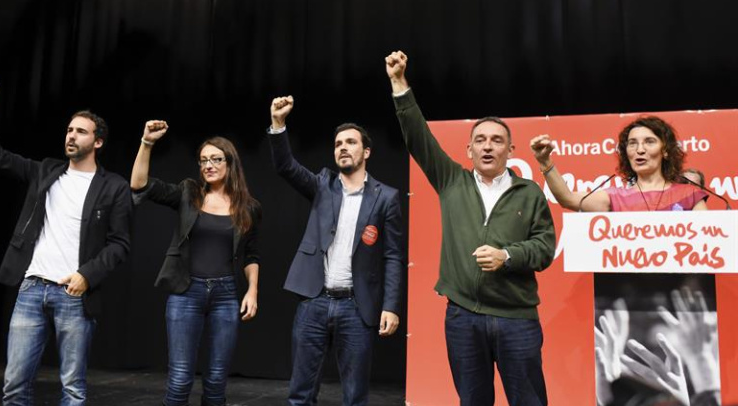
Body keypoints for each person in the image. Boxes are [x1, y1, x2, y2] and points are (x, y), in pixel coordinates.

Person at [385, 51, 556, 406]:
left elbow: (545, 249)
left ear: (511, 149)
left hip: (517, 320)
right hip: (463, 317)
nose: (488, 146)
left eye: (497, 140)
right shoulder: (452, 181)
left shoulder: (530, 192)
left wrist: (507, 255)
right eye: (480, 139)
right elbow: (418, 137)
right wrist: (399, 83)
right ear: (469, 149)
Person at [530, 117, 718, 405]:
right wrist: (545, 163)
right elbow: (568, 198)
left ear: (665, 150)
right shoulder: (614, 196)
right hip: (626, 316)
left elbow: (708, 243)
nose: (639, 149)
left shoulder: (689, 195)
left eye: (649, 142)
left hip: (683, 316)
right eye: (632, 143)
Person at [0, 79, 132, 406]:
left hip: (74, 292)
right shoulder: (46, 171)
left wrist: (86, 275)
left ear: (98, 141)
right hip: (31, 288)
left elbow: (119, 244)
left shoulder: (113, 186)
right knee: (14, 385)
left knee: (72, 388)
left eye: (81, 131)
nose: (71, 136)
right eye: (69, 130)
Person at [267, 96, 405, 406]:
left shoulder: (386, 197)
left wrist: (391, 306)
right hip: (314, 301)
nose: (343, 147)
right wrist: (278, 124)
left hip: (356, 307)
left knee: (355, 397)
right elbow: (285, 166)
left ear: (366, 152)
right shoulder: (322, 185)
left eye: (351, 142)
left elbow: (393, 256)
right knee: (300, 394)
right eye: (338, 143)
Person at [130, 120, 261, 406]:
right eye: (203, 160)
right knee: (180, 379)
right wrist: (147, 143)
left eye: (216, 159)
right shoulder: (189, 193)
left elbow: (251, 254)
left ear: (230, 163)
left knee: (216, 380)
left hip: (226, 295)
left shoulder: (248, 207)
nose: (208, 165)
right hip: (186, 292)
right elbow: (139, 185)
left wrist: (252, 291)